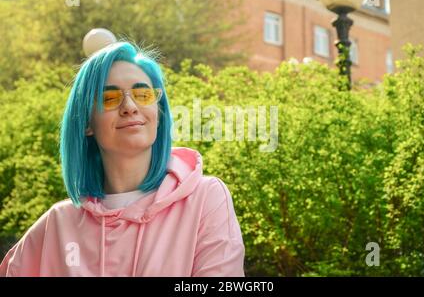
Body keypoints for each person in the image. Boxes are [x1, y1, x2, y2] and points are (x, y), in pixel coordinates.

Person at [0, 34, 245, 277]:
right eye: (109, 98)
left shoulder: (205, 199)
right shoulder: (57, 224)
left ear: (158, 114)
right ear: (87, 122)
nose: (130, 106)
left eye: (143, 95)